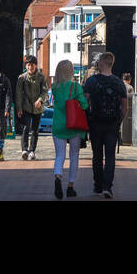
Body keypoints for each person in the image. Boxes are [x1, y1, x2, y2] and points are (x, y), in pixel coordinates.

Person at [83, 50, 128, 197]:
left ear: (101, 63)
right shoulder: (119, 83)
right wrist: (119, 120)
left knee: (97, 155)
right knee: (110, 156)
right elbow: (124, 106)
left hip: (96, 123)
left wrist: (87, 119)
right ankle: (107, 186)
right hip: (112, 124)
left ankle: (97, 185)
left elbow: (85, 102)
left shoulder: (92, 81)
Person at [49, 59, 88, 198]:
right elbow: (84, 105)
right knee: (74, 155)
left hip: (58, 125)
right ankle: (70, 186)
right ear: (71, 71)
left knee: (60, 155)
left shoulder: (54, 87)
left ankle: (58, 177)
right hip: (74, 126)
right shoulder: (76, 87)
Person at [14, 55, 49, 160]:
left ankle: (32, 150)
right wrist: (19, 108)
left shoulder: (41, 77)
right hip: (26, 107)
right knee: (25, 128)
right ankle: (24, 149)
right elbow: (18, 94)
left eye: (32, 65)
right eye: (28, 65)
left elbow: (45, 91)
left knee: (35, 130)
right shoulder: (22, 78)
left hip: (38, 108)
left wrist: (40, 100)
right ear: (26, 65)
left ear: (36, 66)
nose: (30, 67)